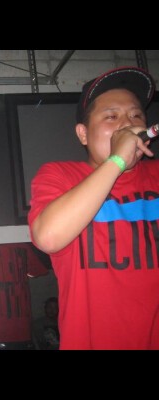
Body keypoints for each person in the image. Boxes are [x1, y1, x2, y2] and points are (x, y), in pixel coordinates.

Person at [28, 66, 159, 350]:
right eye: (111, 116)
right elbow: (48, 236)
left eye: (136, 115)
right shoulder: (60, 176)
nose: (127, 125)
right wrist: (117, 161)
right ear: (83, 134)